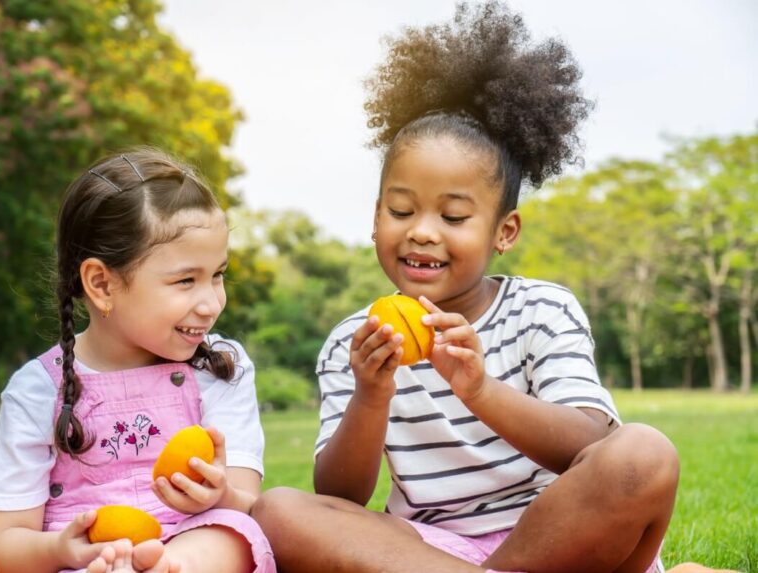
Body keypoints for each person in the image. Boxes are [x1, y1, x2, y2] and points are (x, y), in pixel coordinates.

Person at [251, 3, 682, 573]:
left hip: (565, 540)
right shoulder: (352, 343)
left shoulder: (541, 311)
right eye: (401, 210)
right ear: (375, 216)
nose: (422, 232)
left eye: (453, 217)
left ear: (504, 231)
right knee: (278, 510)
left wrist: (480, 390)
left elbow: (588, 440)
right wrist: (371, 395)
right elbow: (342, 496)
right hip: (432, 553)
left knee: (644, 452)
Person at [0, 149, 276, 573]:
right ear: (102, 284)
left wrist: (220, 494)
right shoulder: (38, 390)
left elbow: (247, 506)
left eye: (218, 275)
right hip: (90, 562)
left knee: (228, 535)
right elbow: (7, 543)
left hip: (193, 551)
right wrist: (62, 549)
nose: (211, 302)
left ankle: (167, 568)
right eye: (186, 281)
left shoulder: (219, 367)